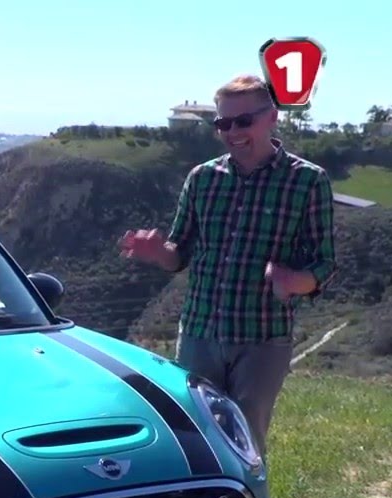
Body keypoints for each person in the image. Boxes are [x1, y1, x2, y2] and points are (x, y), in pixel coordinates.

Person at [119, 74, 337, 460]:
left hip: (262, 339)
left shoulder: (307, 181)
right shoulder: (202, 179)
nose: (232, 132)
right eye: (223, 123)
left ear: (272, 117)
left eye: (243, 121)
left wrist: (294, 281)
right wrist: (157, 252)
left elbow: (324, 263)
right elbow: (179, 254)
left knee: (245, 443)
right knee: (194, 439)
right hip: (199, 333)